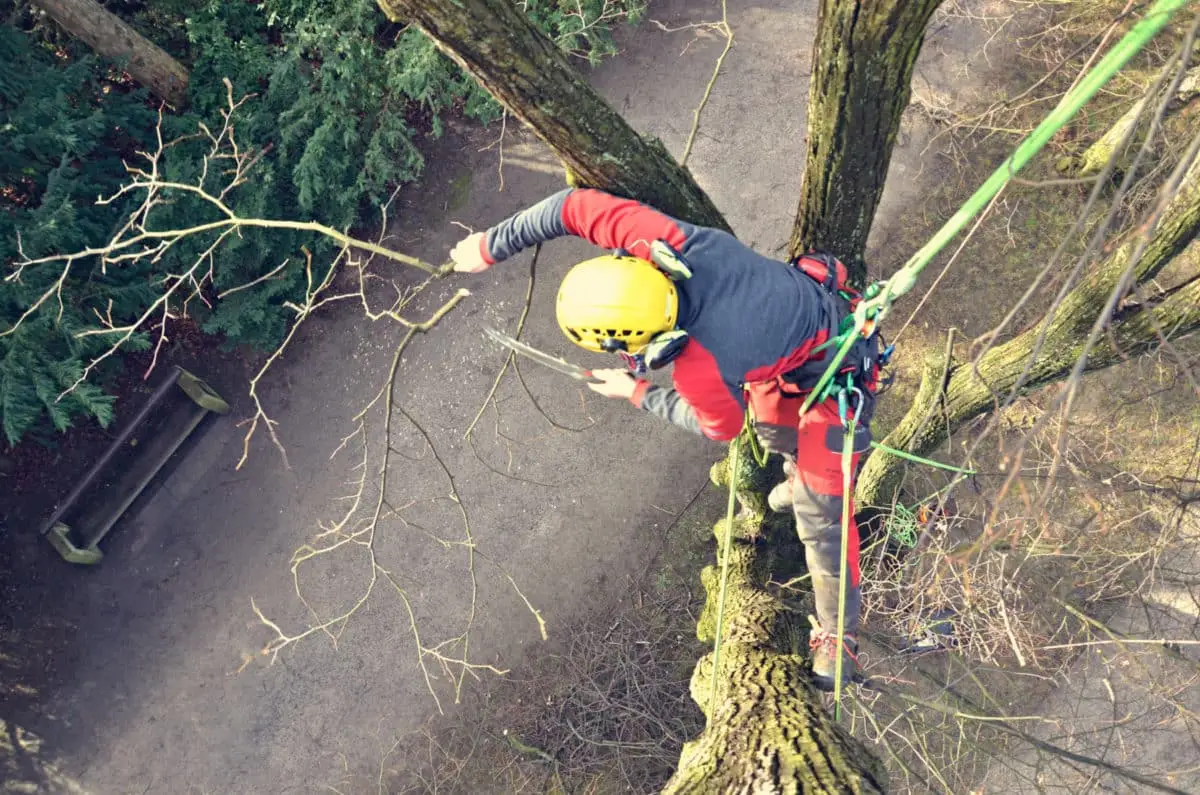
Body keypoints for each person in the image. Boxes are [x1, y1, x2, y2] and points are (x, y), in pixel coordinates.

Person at [450, 187, 878, 690]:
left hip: (838, 376)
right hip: (800, 334)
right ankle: (793, 475)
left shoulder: (701, 368)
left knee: (822, 513)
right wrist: (490, 245)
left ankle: (838, 633)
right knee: (772, 427)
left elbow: (720, 427)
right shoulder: (671, 240)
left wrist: (638, 392)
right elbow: (567, 207)